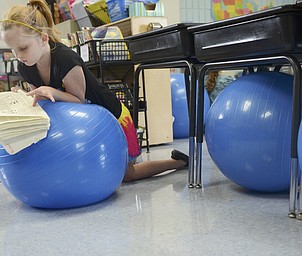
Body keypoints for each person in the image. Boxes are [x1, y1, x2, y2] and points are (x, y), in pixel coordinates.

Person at [0, 0, 188, 182]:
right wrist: (25, 99)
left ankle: (177, 162)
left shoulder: (66, 59)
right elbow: (41, 101)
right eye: (13, 50)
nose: (18, 56)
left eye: (22, 48)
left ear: (43, 39)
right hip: (80, 124)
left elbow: (79, 101)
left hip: (112, 115)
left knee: (127, 175)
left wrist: (50, 91)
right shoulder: (25, 66)